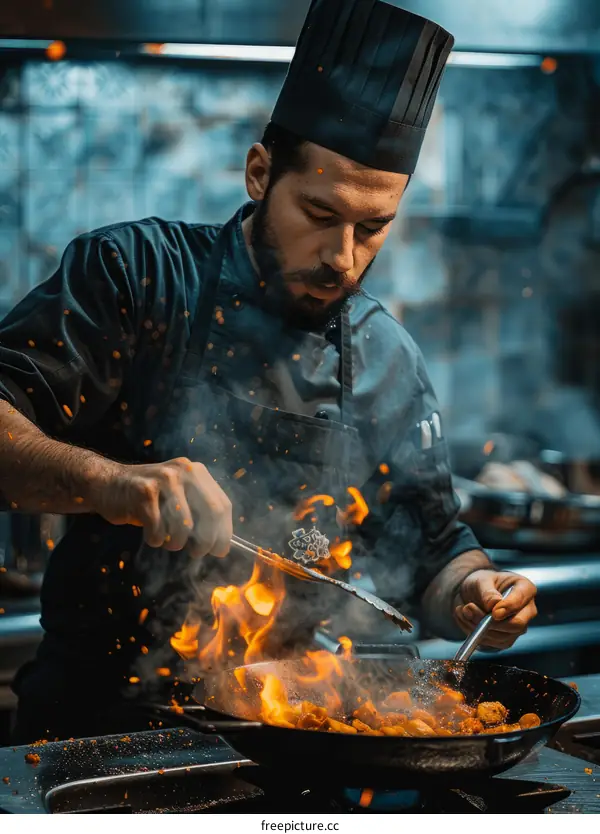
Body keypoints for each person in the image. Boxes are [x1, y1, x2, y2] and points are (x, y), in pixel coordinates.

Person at [0, 0, 536, 743]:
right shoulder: (132, 277)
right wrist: (110, 482)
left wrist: (477, 591)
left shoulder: (386, 360)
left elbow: (436, 551)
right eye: (320, 213)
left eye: (372, 227)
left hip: (291, 740)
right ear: (260, 174)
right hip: (98, 741)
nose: (342, 255)